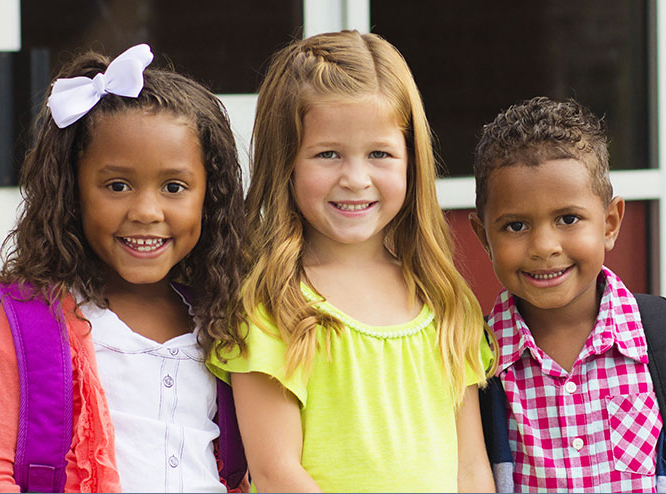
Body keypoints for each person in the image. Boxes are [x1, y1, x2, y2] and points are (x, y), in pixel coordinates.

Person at [205, 30, 494, 492]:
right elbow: (277, 473)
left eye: (379, 154)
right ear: (287, 163)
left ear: (410, 161)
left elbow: (472, 469)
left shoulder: (444, 299)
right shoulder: (273, 305)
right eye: (328, 154)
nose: (356, 179)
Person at [0, 44, 250, 492]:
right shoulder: (27, 327)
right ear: (72, 192)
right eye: (117, 185)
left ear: (210, 197)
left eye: (174, 186)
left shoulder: (222, 322)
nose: (147, 211)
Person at [469, 96, 666, 493]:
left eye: (568, 219)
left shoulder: (661, 338)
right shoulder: (472, 362)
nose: (544, 246)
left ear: (610, 222)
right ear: (484, 236)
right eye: (515, 226)